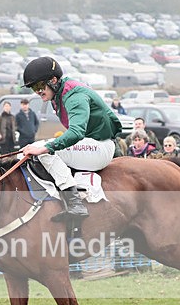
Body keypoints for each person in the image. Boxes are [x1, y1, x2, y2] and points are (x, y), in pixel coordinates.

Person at [20, 56, 123, 222]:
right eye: (34, 88)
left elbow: (76, 132)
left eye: (40, 86)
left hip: (99, 148)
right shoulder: (59, 94)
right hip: (92, 145)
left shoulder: (74, 95)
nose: (38, 92)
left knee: (43, 151)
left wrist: (46, 147)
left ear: (54, 80)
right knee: (35, 148)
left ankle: (74, 203)